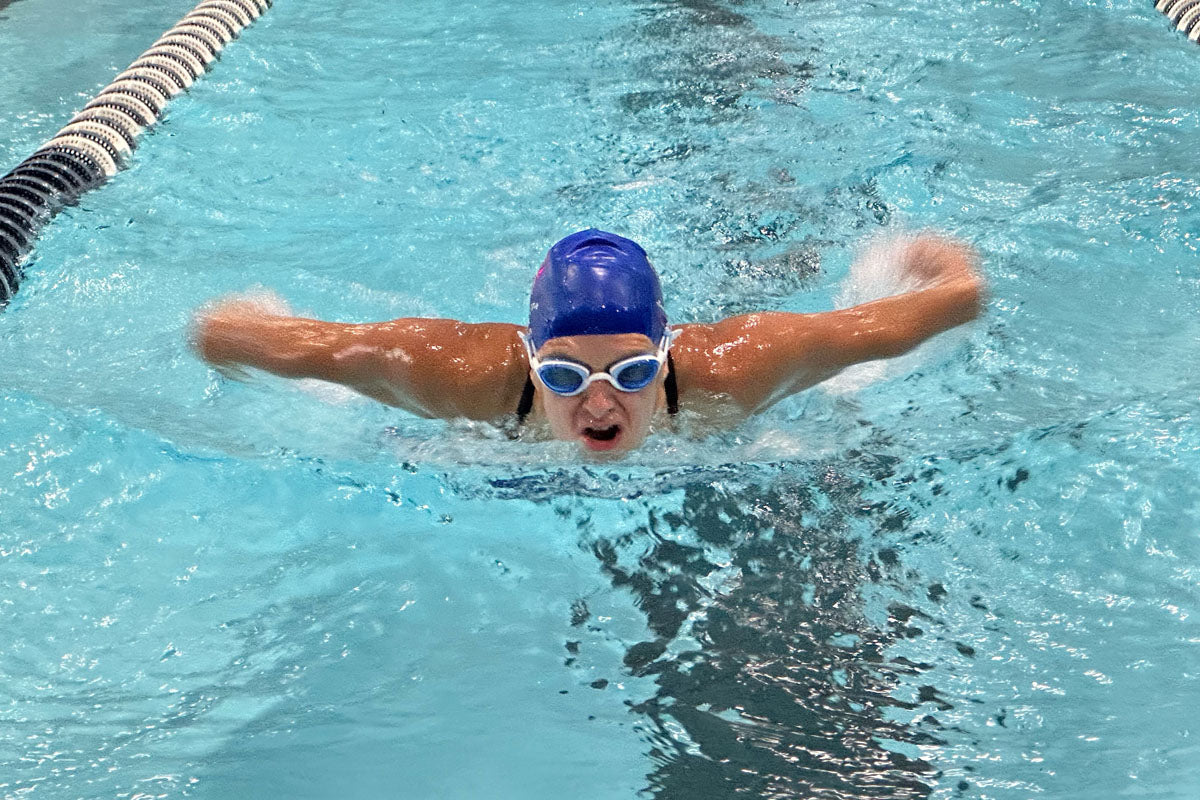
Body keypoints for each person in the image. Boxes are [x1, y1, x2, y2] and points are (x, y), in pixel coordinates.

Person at [191, 229, 983, 454]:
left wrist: (925, 258)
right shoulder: (461, 376)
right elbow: (255, 337)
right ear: (531, 362)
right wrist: (233, 342)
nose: (601, 401)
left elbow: (935, 305)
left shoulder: (733, 374)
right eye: (566, 378)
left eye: (634, 371)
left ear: (666, 354)